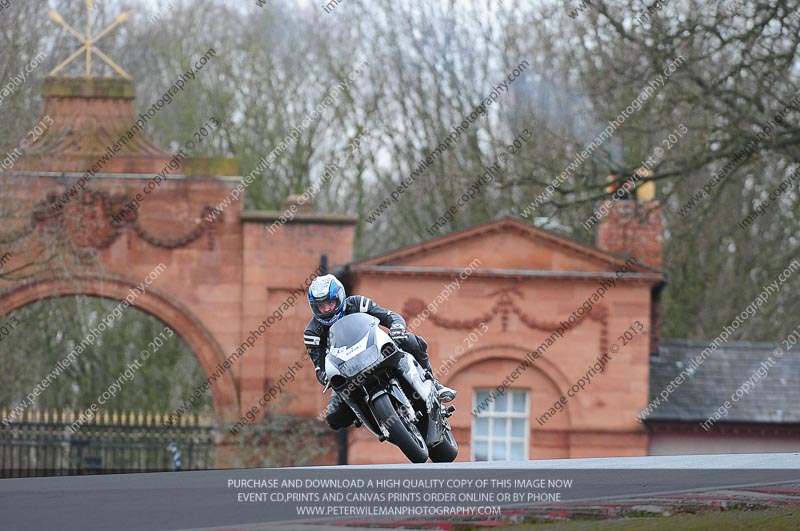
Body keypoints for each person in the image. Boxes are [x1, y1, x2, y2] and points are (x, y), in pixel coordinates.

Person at [304, 274, 456, 430]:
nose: (327, 309)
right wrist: (325, 375)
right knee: (334, 417)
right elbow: (319, 366)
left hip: (374, 349)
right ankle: (364, 413)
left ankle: (434, 384)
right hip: (346, 370)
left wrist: (397, 327)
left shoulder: (358, 303)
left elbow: (389, 316)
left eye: (330, 302)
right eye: (321, 306)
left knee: (410, 340)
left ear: (340, 297)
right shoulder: (312, 333)